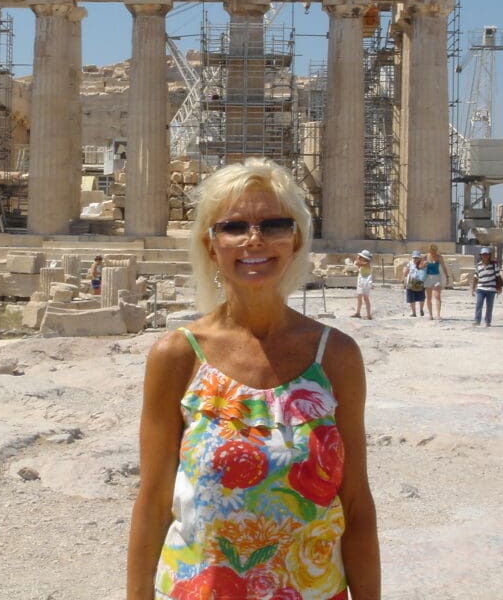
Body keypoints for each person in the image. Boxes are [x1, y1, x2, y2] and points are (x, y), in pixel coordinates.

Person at [127, 158, 380, 600]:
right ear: (211, 245)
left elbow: (356, 506)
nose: (254, 239)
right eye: (234, 226)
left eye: (275, 224)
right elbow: (151, 504)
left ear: (296, 240)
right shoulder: (178, 355)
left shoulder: (336, 356)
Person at [471, 247, 503, 326]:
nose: (485, 256)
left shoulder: (494, 265)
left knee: (489, 306)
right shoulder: (478, 265)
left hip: (491, 289)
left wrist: (499, 288)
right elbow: (475, 277)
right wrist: (473, 288)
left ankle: (487, 321)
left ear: (489, 255)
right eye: (483, 255)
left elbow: (498, 277)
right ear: (481, 255)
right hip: (481, 288)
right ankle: (477, 320)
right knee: (479, 305)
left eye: (486, 254)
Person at [423, 244, 450, 321]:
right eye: (432, 251)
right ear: (429, 251)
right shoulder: (425, 257)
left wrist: (447, 276)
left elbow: (443, 266)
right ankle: (430, 315)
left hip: (437, 277)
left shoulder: (439, 257)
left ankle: (438, 314)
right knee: (428, 297)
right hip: (428, 277)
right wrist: (424, 265)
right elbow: (420, 266)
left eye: (435, 251)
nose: (434, 253)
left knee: (437, 296)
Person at [402, 250, 427, 317]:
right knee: (411, 298)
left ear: (419, 258)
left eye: (417, 258)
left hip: (420, 282)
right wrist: (403, 279)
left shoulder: (423, 263)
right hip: (410, 282)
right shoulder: (410, 263)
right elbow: (406, 271)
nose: (415, 259)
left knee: (421, 297)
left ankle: (421, 309)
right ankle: (414, 313)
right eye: (414, 258)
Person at [351, 249, 374, 320]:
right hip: (361, 281)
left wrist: (358, 258)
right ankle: (358, 313)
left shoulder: (367, 263)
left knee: (365, 298)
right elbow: (357, 264)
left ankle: (369, 315)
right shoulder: (363, 263)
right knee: (359, 297)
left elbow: (357, 263)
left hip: (366, 282)